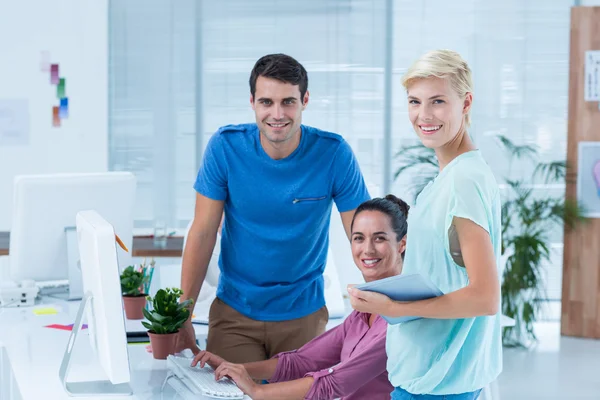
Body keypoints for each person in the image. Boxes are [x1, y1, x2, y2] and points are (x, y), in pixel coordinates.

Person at [176, 53, 371, 362]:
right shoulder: (225, 148)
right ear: (252, 102)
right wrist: (181, 316)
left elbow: (364, 236)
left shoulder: (333, 154)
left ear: (305, 100)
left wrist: (386, 307)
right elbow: (203, 233)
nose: (277, 114)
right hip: (234, 315)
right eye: (267, 102)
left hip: (303, 316)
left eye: (288, 102)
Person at [348, 49, 502, 400]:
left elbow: (485, 296)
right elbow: (446, 276)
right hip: (424, 379)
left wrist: (394, 309)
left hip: (439, 388)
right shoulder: (447, 180)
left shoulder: (465, 180)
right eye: (414, 102)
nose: (423, 115)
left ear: (466, 103)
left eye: (437, 101)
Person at [190, 195, 409, 400]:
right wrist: (234, 368)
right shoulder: (364, 310)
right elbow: (301, 361)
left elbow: (337, 382)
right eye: (358, 238)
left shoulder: (401, 315)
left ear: (402, 244)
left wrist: (258, 391)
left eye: (379, 238)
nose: (367, 249)